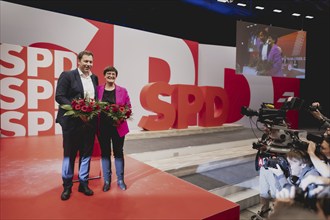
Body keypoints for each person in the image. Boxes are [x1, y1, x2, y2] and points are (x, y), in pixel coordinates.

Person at [55, 50, 99, 201]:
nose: (88, 64)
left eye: (90, 62)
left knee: (86, 154)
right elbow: (59, 96)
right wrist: (78, 110)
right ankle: (67, 186)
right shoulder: (67, 75)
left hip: (89, 123)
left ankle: (83, 183)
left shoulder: (95, 78)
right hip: (72, 123)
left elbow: (95, 98)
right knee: (69, 155)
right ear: (78, 61)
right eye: (85, 61)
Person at [97, 66, 131, 192]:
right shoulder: (98, 89)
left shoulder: (123, 90)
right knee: (105, 153)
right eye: (108, 74)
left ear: (116, 76)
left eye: (113, 74)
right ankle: (107, 181)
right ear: (104, 76)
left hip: (118, 127)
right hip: (103, 127)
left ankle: (121, 180)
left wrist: (120, 118)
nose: (111, 76)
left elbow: (128, 107)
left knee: (118, 152)